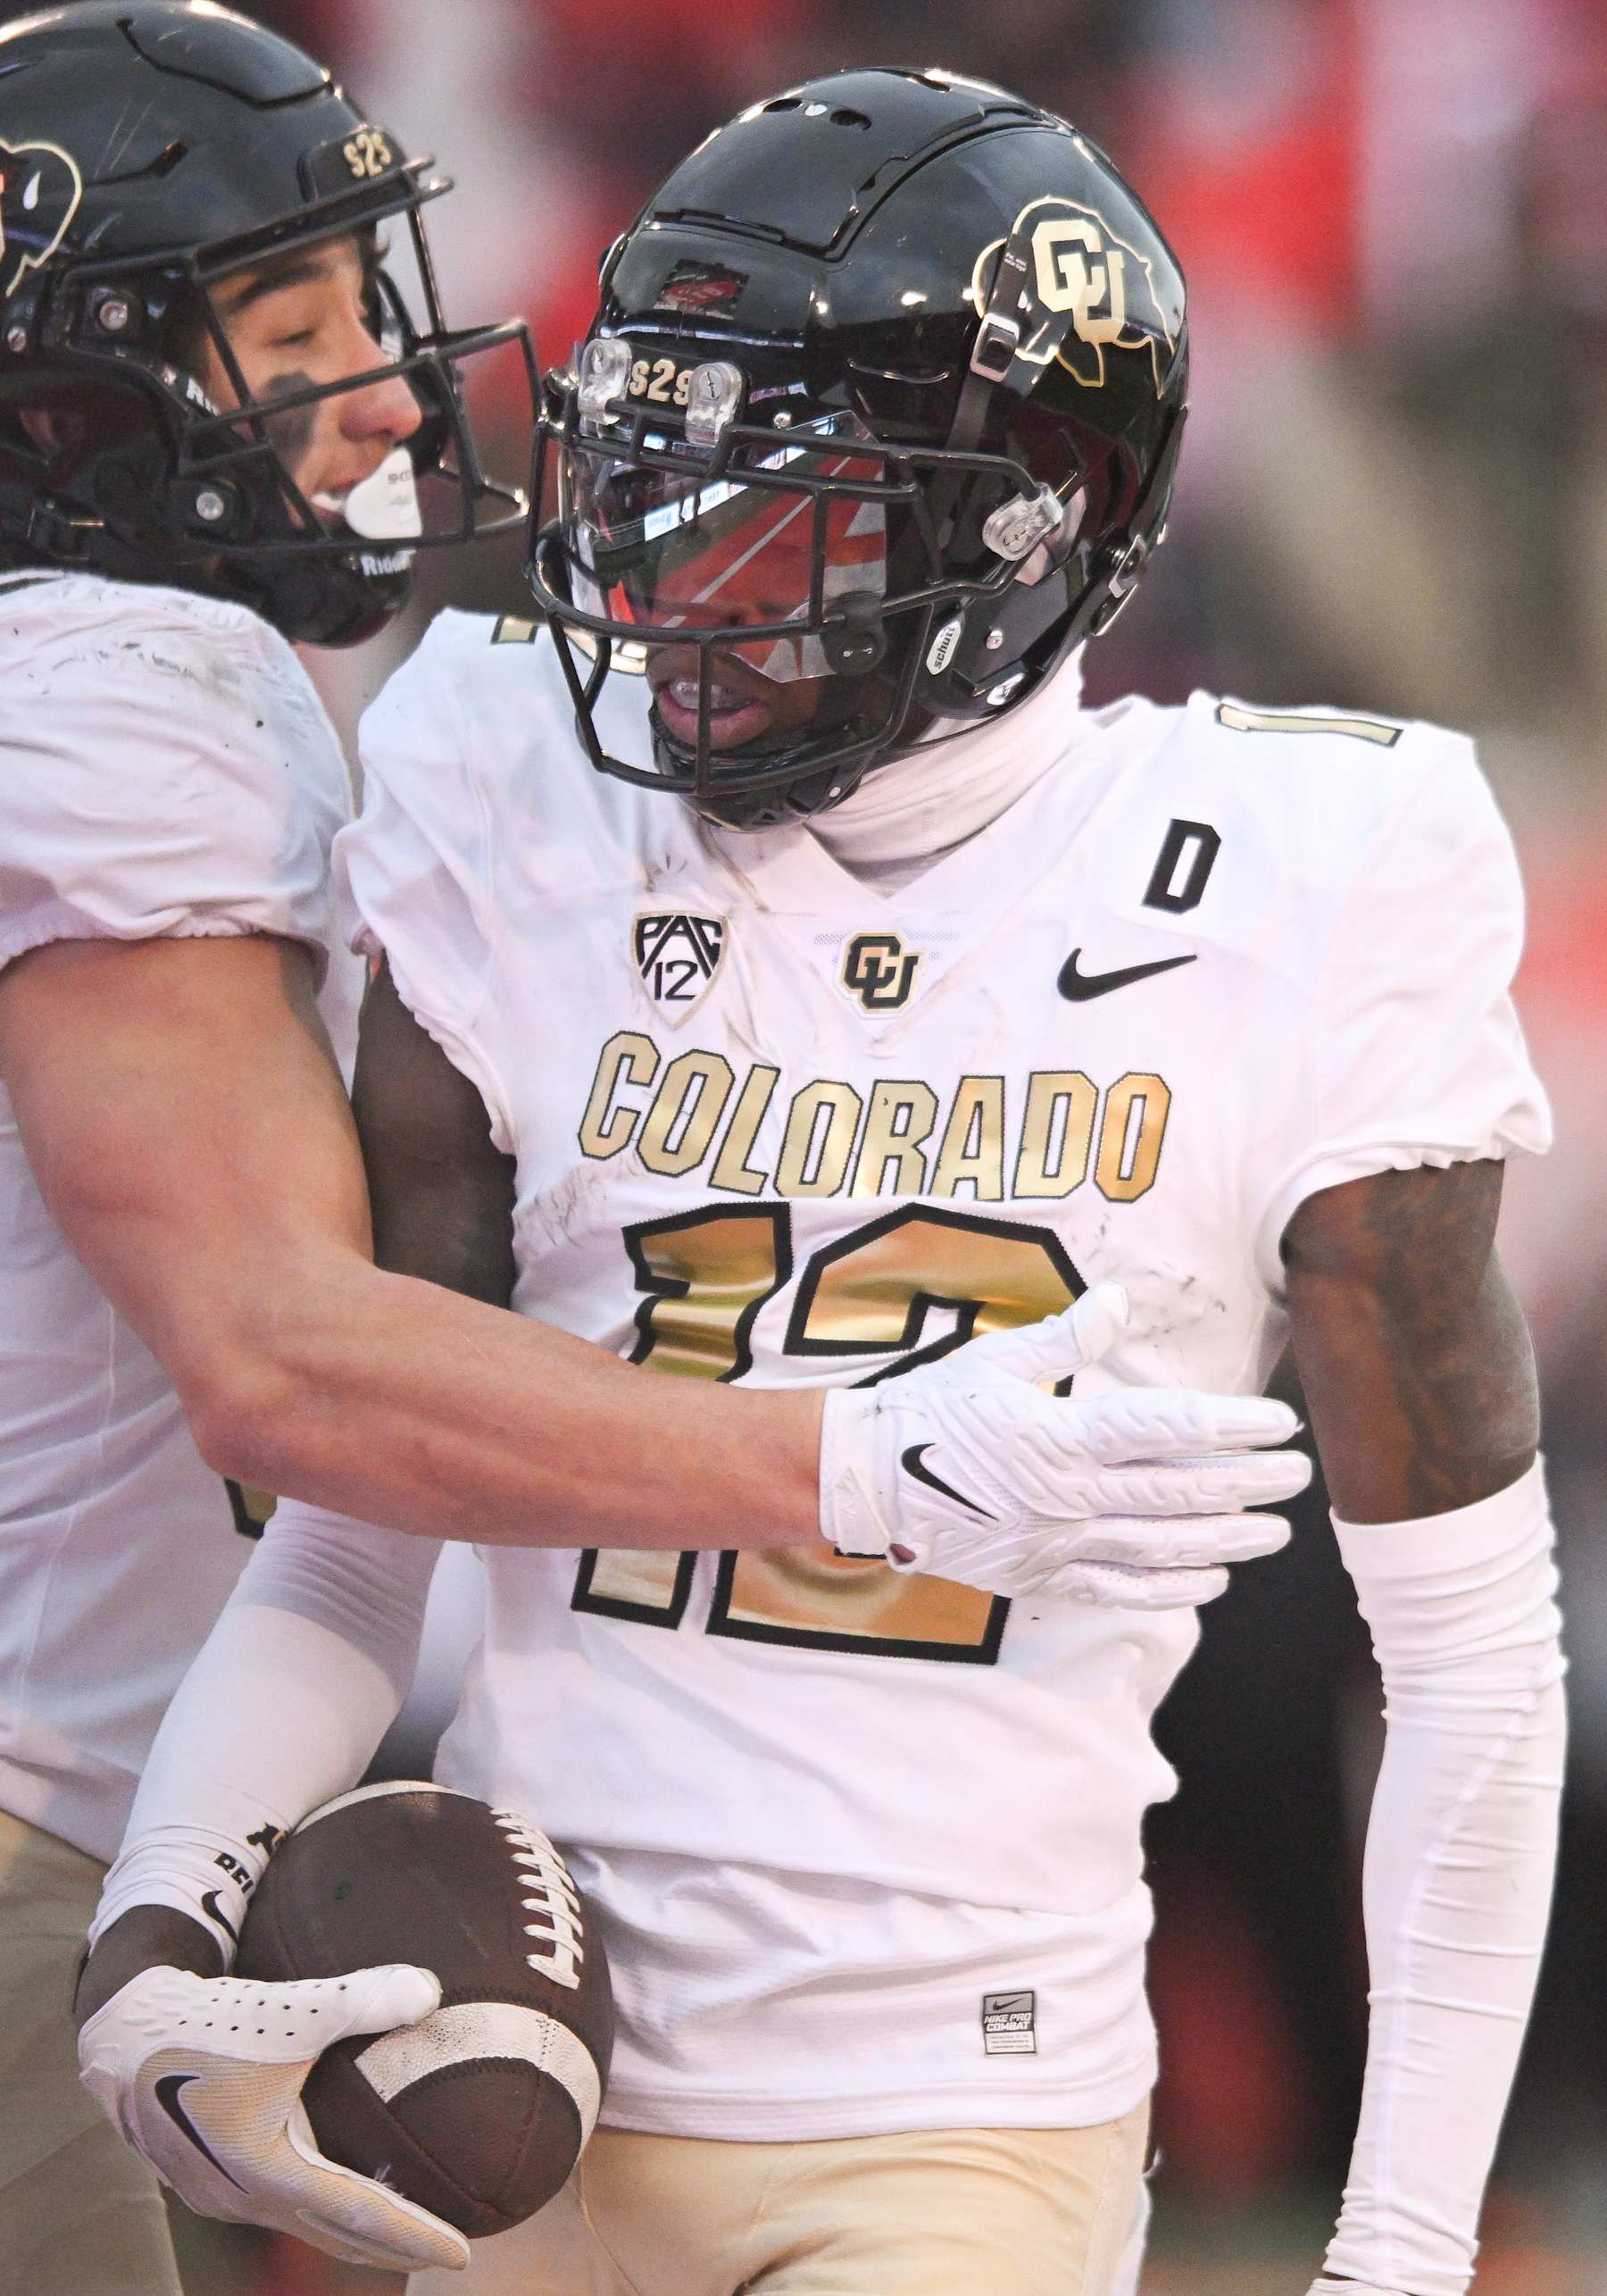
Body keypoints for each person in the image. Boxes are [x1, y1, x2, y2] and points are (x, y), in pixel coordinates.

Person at [77, 64, 1560, 2296]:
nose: (667, 590)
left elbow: (1466, 1653)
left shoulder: (1309, 874)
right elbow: (372, 1512)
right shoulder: (511, 778)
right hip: (512, 2067)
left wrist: (1406, 2241)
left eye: (772, 515)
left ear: (1030, 520)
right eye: (646, 486)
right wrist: (165, 1906)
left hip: (955, 2107)